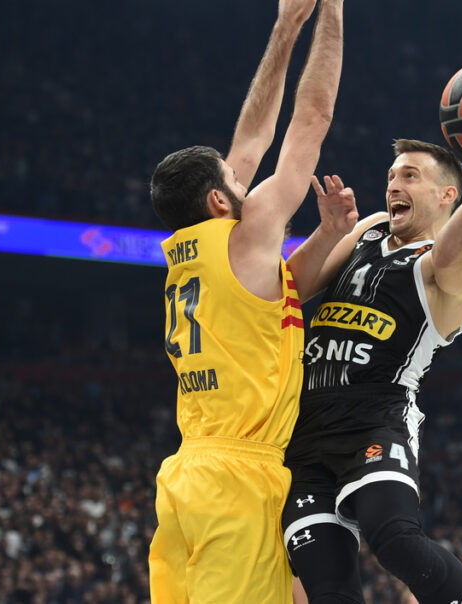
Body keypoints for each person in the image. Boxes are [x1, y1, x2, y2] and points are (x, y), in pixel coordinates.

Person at [281, 106, 462, 603]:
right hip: (304, 428)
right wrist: (330, 231)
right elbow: (292, 288)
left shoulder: (452, 266)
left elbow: (454, 252)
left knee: (396, 541)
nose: (394, 185)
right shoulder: (374, 227)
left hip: (376, 419)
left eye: (410, 176)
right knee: (327, 587)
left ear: (447, 196)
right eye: (392, 175)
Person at [146, 0, 353, 602]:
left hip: (186, 477)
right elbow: (310, 119)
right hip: (239, 479)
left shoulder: (193, 247)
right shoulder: (249, 231)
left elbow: (251, 135)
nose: (247, 181)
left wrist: (287, 23)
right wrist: (331, 13)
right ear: (218, 200)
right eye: (235, 182)